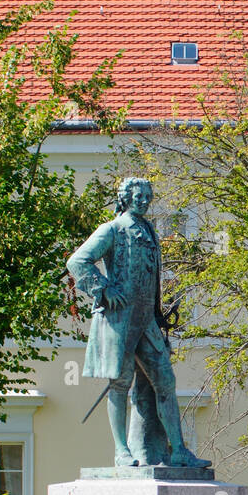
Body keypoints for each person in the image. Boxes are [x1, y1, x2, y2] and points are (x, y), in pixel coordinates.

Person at [68, 177, 211, 469]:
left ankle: (179, 451)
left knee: (165, 381)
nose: (144, 200)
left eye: (147, 195)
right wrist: (104, 289)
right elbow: (78, 261)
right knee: (119, 383)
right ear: (125, 198)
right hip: (119, 320)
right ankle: (122, 451)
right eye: (137, 195)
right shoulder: (112, 229)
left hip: (146, 320)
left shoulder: (149, 231)